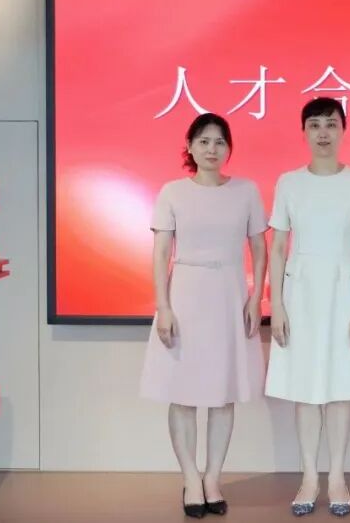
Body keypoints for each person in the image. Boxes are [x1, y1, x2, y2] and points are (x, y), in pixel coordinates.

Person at [140, 112, 268, 518]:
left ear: (229, 148)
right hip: (186, 294)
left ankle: (213, 478)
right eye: (204, 141)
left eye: (220, 141)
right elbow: (161, 253)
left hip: (229, 295)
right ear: (190, 147)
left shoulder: (246, 191)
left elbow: (260, 249)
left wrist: (256, 298)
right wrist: (163, 306)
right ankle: (191, 479)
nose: (212, 149)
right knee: (183, 394)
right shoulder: (173, 192)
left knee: (223, 394)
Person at [265, 97, 350, 518]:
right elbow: (278, 247)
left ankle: (336, 476)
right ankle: (308, 477)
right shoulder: (289, 183)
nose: (323, 133)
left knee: (339, 389)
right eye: (314, 125)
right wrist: (277, 304)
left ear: (343, 130)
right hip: (300, 294)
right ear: (303, 132)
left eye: (331, 124)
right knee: (304, 389)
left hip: (343, 292)